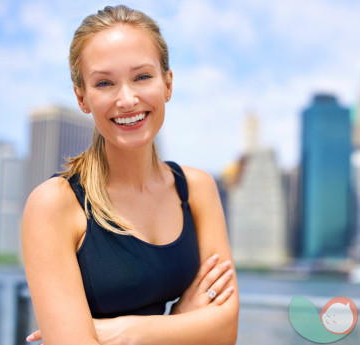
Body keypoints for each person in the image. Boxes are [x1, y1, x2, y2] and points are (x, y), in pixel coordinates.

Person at [22, 5, 239, 345]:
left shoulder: (196, 189)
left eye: (142, 77)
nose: (127, 99)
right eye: (105, 83)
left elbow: (225, 332)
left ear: (167, 84)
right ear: (83, 97)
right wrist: (184, 321)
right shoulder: (54, 204)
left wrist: (133, 332)